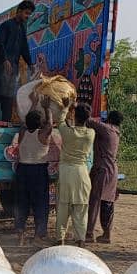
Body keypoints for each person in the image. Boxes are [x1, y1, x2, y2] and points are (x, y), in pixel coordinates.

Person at [0, 0, 36, 122]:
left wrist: (30, 63)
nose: (27, 16)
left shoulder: (22, 29)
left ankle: (5, 125)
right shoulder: (6, 25)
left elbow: (24, 48)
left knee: (8, 100)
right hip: (1, 68)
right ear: (19, 11)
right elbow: (0, 43)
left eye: (29, 14)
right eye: (26, 13)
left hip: (13, 69)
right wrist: (5, 60)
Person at [14, 99, 53, 245]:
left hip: (22, 170)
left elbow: (26, 121)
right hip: (38, 171)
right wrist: (47, 108)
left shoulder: (22, 132)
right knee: (40, 204)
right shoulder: (43, 135)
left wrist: (34, 102)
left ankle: (20, 234)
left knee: (21, 202)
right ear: (40, 123)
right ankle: (38, 235)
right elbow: (50, 124)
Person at [56, 100, 95, 246]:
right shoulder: (91, 134)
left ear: (75, 117)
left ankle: (60, 239)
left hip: (66, 172)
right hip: (82, 173)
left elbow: (60, 121)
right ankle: (81, 240)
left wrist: (66, 107)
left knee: (63, 207)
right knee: (81, 208)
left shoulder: (67, 132)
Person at [85, 110, 123, 243]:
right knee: (108, 202)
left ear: (109, 119)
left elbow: (88, 121)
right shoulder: (116, 131)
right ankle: (106, 234)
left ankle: (89, 232)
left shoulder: (106, 129)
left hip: (102, 169)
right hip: (111, 169)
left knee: (94, 201)